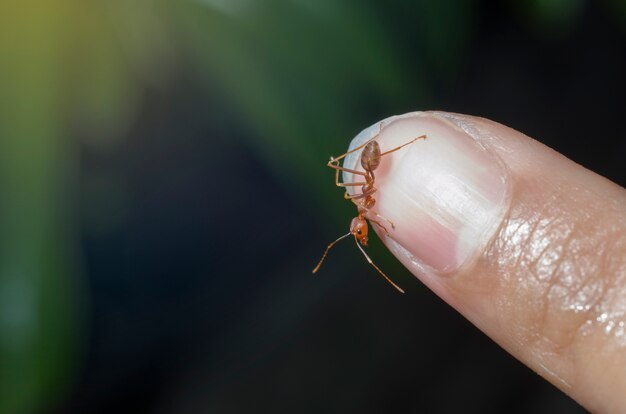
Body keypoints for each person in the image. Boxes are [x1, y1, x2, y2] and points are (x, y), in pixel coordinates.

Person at [343, 111, 626, 413]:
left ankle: (410, 143)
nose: (364, 235)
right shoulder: (366, 206)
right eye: (362, 234)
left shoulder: (366, 194)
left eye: (360, 233)